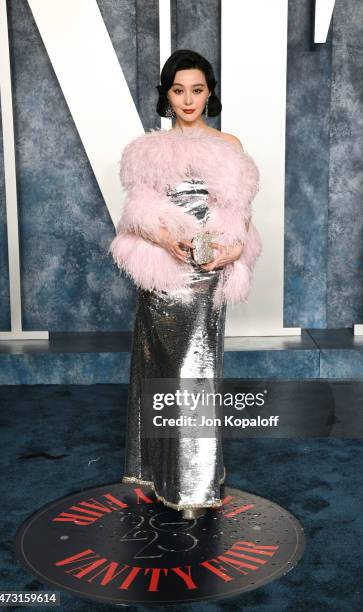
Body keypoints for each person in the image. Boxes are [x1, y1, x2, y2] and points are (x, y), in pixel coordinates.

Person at [109, 49, 262, 520]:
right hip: (162, 275)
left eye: (197, 89)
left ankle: (194, 485)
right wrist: (165, 239)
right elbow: (135, 216)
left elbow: (240, 217)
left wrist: (230, 252)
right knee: (160, 372)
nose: (188, 99)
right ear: (166, 95)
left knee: (195, 375)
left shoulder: (228, 144)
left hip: (207, 273)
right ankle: (160, 476)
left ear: (209, 92)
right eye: (179, 90)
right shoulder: (147, 150)